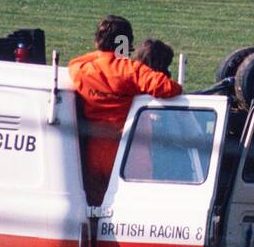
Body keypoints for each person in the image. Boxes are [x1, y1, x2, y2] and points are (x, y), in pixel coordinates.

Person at [68, 16, 183, 203]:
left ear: (98, 41)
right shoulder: (130, 70)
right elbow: (168, 87)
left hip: (93, 155)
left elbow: (77, 61)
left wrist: (103, 54)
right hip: (129, 157)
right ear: (125, 43)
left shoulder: (80, 69)